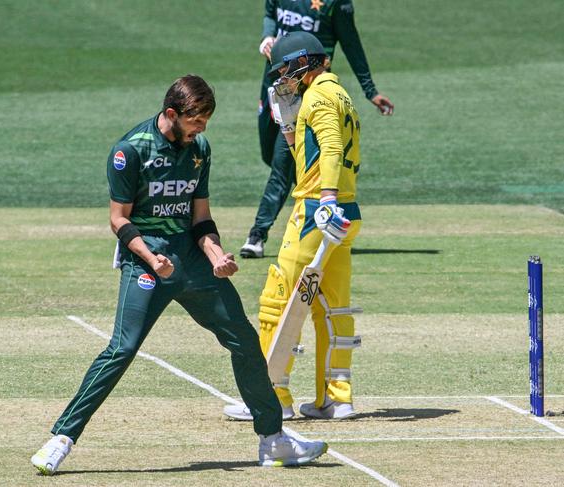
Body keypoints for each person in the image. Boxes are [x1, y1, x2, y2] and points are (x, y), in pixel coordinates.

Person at [30, 75, 328, 474]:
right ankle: (61, 439)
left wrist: (217, 253)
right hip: (146, 262)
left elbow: (200, 217)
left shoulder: (199, 149)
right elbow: (118, 220)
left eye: (205, 120)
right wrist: (152, 259)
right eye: (196, 120)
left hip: (191, 260)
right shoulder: (129, 151)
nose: (202, 128)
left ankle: (272, 439)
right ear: (172, 114)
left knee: (242, 337)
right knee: (122, 348)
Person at [225, 33, 362, 421]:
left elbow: (331, 149)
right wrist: (288, 125)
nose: (282, 77)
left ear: (305, 62)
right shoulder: (340, 95)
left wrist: (328, 199)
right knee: (332, 307)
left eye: (286, 69)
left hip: (319, 210)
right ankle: (336, 397)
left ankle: (273, 399)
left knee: (278, 299)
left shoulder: (318, 98)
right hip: (346, 213)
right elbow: (314, 151)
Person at [240, 0, 393, 258]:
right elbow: (270, 13)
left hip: (307, 86)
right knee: (275, 156)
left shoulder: (336, 3)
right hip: (277, 81)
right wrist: (267, 37)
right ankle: (312, 207)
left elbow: (351, 42)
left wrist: (370, 90)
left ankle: (258, 234)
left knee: (282, 164)